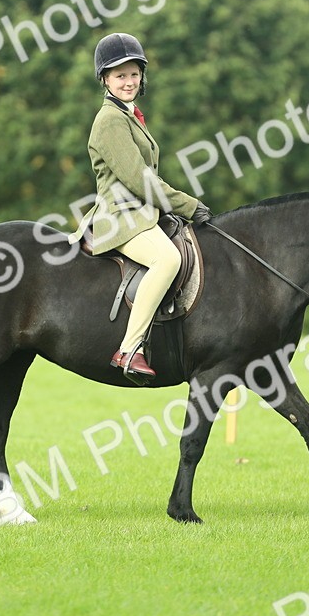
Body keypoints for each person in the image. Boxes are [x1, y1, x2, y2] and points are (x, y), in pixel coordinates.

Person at [80, 32, 210, 385]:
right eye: (120, 75)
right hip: (120, 218)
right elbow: (140, 180)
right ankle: (129, 349)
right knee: (168, 259)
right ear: (105, 79)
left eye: (134, 74)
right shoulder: (109, 120)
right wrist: (188, 205)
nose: (128, 81)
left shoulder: (130, 116)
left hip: (142, 213)